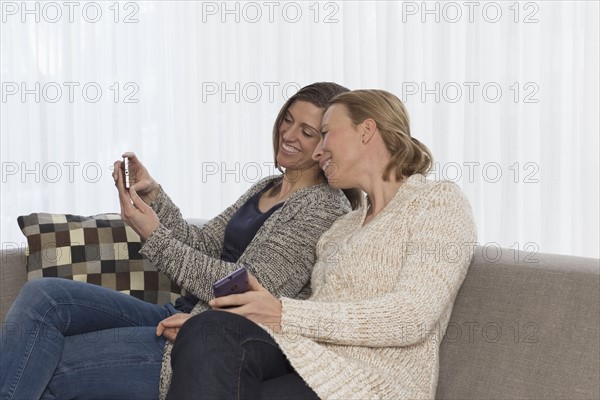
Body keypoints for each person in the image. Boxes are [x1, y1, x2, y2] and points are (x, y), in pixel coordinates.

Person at [0, 82, 362, 400]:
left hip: (203, 339)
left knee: (48, 364)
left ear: (324, 145)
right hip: (181, 311)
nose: (289, 134)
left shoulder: (321, 207)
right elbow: (203, 244)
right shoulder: (266, 186)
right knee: (43, 296)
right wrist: (155, 195)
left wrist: (151, 235)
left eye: (307, 131)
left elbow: (245, 287)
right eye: (288, 119)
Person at [166, 89, 478, 399]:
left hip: (373, 385)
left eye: (325, 133)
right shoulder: (342, 228)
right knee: (209, 333)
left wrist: (284, 314)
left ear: (366, 131)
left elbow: (411, 317)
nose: (317, 152)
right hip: (310, 363)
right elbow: (317, 315)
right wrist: (203, 325)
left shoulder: (437, 202)